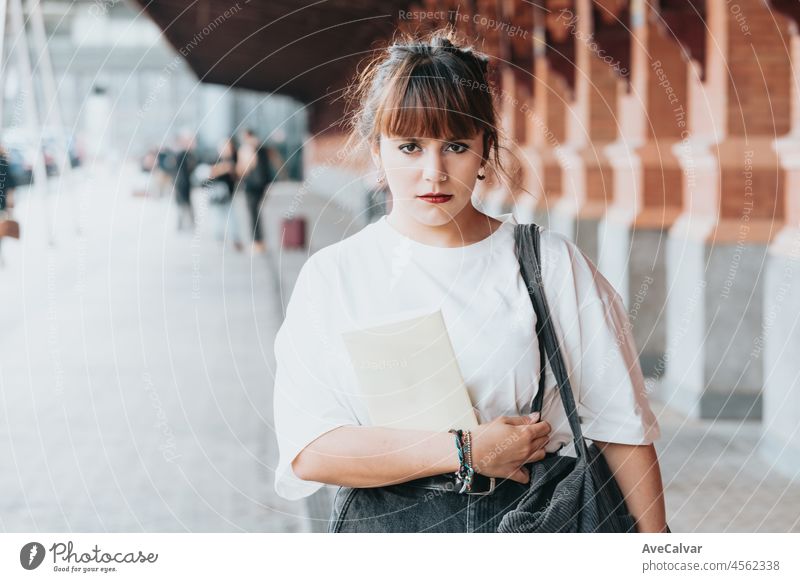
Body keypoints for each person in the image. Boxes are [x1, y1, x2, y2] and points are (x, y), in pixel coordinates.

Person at [272, 28, 667, 533]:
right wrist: (465, 450)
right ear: (376, 151)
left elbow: (622, 428)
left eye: (455, 145)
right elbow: (310, 451)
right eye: (410, 146)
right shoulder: (335, 276)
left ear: (485, 150)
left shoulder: (547, 263)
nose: (433, 173)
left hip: (532, 521)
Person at [237, 129, 273, 253]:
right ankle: (260, 242)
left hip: (251, 186)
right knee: (256, 213)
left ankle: (257, 242)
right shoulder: (262, 147)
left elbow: (245, 169)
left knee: (252, 214)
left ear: (247, 136)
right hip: (262, 185)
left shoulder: (247, 149)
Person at [204, 137, 243, 252]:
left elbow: (238, 174)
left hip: (229, 193)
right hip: (217, 193)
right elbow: (210, 173)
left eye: (229, 146)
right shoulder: (215, 158)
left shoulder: (234, 158)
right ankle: (220, 240)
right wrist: (224, 168)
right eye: (224, 146)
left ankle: (235, 240)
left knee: (232, 218)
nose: (227, 149)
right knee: (218, 217)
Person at [173, 133, 196, 231]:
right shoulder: (182, 154)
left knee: (185, 205)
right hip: (182, 184)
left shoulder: (187, 154)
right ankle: (184, 225)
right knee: (183, 205)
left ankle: (188, 225)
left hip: (184, 183)